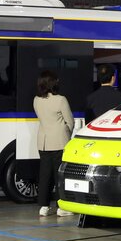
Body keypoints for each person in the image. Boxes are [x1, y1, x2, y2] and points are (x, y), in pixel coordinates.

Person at [33, 71, 75, 218]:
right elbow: (70, 121)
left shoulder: (37, 100)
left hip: (43, 142)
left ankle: (43, 207)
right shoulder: (60, 100)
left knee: (45, 175)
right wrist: (66, 132)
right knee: (59, 175)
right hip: (59, 141)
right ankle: (61, 206)